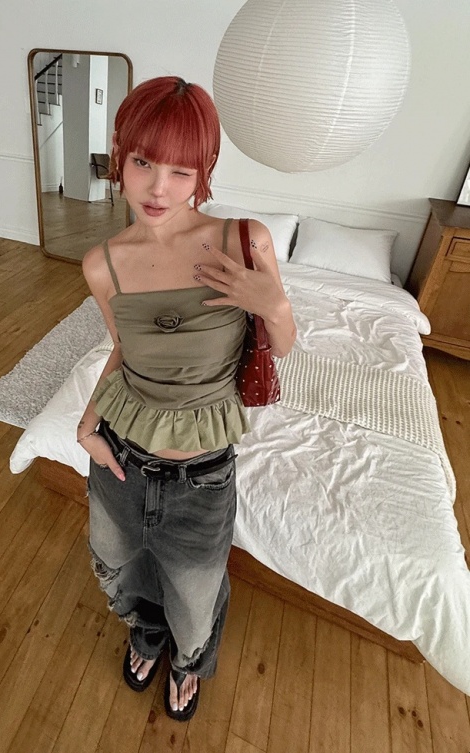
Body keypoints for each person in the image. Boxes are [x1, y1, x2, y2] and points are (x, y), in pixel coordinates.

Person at [77, 75, 296, 721]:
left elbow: (282, 347)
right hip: (119, 460)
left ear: (205, 171)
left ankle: (188, 662)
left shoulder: (244, 241)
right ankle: (146, 638)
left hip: (202, 476)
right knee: (121, 570)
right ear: (120, 154)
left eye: (181, 170)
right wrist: (86, 424)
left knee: (196, 596)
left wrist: (276, 304)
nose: (159, 188)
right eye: (144, 162)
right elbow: (124, 351)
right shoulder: (102, 263)